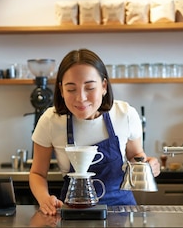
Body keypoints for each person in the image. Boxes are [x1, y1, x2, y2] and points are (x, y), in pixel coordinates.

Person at [29, 48, 161, 215]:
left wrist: (149, 164)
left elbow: (136, 156)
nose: (81, 98)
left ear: (104, 86)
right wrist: (44, 199)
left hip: (121, 210)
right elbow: (37, 173)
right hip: (73, 212)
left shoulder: (125, 114)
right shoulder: (50, 121)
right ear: (61, 90)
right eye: (71, 89)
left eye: (90, 88)